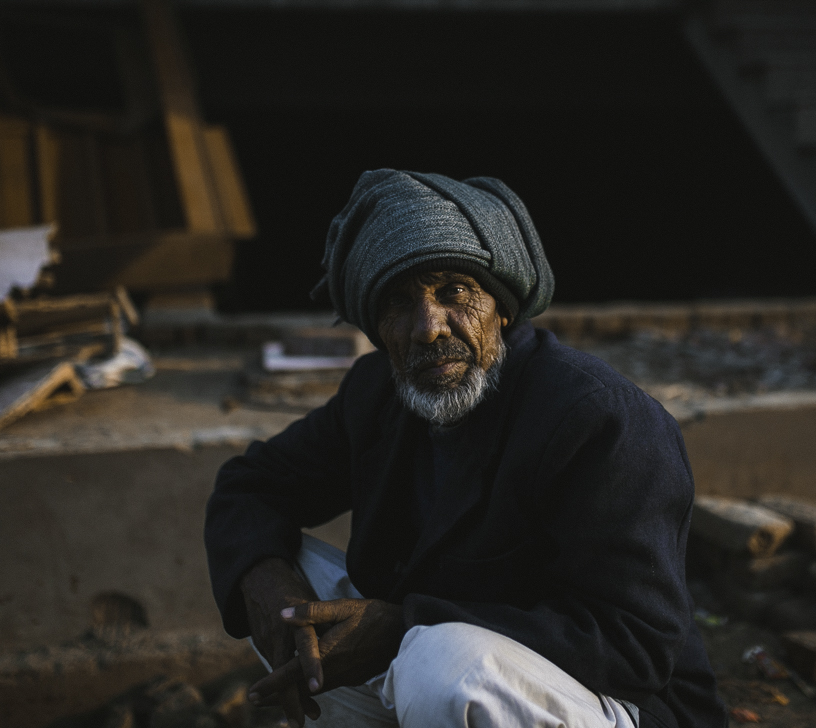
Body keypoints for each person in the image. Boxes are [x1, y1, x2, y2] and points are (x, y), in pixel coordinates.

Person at [204, 170, 727, 728]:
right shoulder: (376, 394)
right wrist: (265, 582)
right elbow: (250, 485)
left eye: (454, 290)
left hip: (615, 700)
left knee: (442, 663)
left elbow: (636, 647)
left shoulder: (598, 420)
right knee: (291, 597)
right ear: (380, 332)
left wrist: (404, 627)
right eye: (399, 304)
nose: (428, 328)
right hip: (435, 672)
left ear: (501, 305)